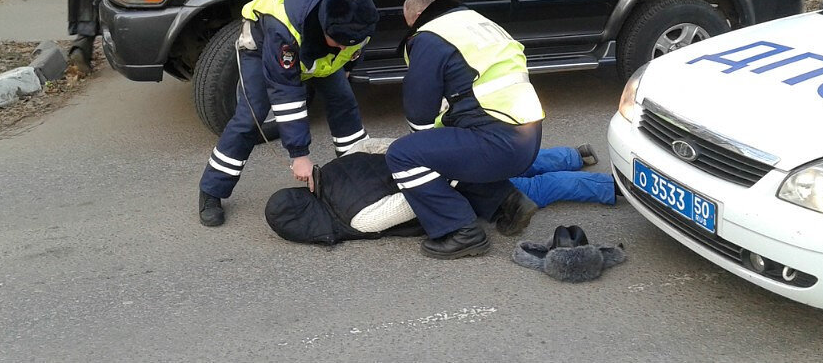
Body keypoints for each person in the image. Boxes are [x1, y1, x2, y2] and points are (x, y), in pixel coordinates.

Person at [198, 0, 380, 227]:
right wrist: (299, 155)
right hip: (263, 49)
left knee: (344, 102)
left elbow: (352, 49)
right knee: (250, 118)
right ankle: (211, 190)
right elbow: (286, 93)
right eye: (338, 42)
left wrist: (349, 65)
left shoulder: (356, 8)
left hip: (317, 55)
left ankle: (355, 174)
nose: (342, 48)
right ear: (324, 25)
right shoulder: (282, 27)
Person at [385, 0, 546, 259]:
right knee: (448, 143)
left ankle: (462, 232)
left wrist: (423, 145)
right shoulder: (475, 22)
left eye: (410, 23)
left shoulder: (431, 36)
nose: (411, 30)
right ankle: (508, 203)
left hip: (500, 143)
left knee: (403, 155)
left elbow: (419, 108)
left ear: (419, 15)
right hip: (527, 136)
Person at [265, 140, 619, 245]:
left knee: (534, 189)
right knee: (518, 162)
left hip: (449, 180)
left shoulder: (359, 220)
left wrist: (450, 175)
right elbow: (376, 146)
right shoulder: (330, 170)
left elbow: (413, 202)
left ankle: (610, 187)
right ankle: (576, 155)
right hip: (439, 152)